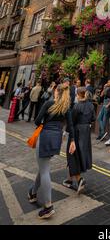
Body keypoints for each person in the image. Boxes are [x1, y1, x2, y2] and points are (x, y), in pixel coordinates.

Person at [28, 84, 76, 219]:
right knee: (43, 167)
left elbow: (37, 121)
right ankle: (32, 192)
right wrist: (72, 141)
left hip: (45, 136)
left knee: (44, 170)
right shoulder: (66, 107)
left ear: (56, 92)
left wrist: (44, 122)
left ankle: (48, 206)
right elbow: (70, 126)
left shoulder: (49, 103)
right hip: (57, 138)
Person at [63, 87, 96, 192]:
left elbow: (71, 122)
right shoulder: (91, 105)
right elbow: (93, 119)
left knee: (72, 153)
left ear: (78, 95)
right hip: (86, 131)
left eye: (76, 95)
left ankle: (79, 179)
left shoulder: (77, 106)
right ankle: (69, 179)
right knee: (81, 153)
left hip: (77, 131)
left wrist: (65, 132)